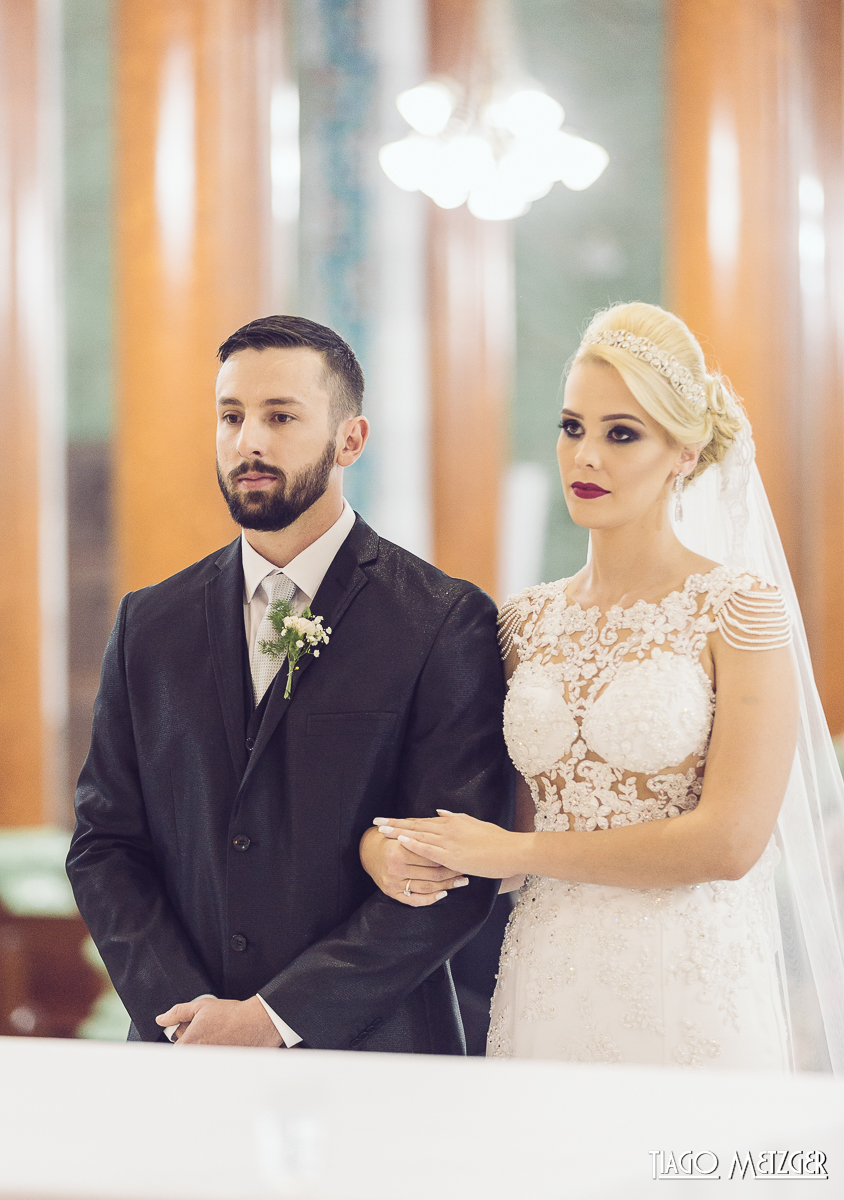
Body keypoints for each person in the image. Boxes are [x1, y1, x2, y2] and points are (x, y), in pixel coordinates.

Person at [364, 302, 844, 1071]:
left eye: (622, 433)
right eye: (572, 427)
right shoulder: (522, 623)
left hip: (689, 985)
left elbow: (730, 843)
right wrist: (387, 847)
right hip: (548, 976)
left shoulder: (737, 610)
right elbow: (504, 827)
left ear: (684, 451)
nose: (585, 456)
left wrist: (515, 848)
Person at [67, 314, 511, 1052]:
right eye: (231, 416)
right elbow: (104, 844)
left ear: (350, 440)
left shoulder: (442, 620)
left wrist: (272, 1019)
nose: (249, 441)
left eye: (280, 416)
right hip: (185, 1053)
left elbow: (454, 874)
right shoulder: (149, 623)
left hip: (377, 1059)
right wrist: (188, 1016)